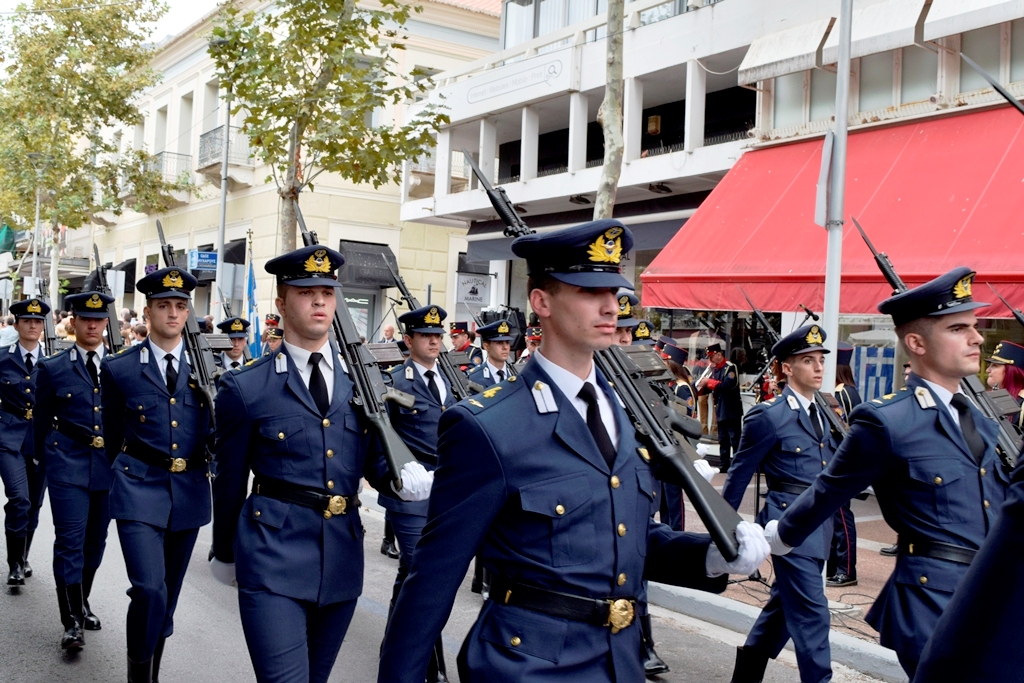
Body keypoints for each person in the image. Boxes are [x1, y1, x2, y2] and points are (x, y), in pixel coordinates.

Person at [377, 219, 769, 683]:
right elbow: (433, 581)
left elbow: (629, 536)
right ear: (541, 302)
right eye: (588, 291)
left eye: (614, 291)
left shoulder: (620, 413)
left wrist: (711, 555)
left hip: (619, 663)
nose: (610, 305)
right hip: (527, 666)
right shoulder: (487, 426)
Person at [766, 267, 1010, 678]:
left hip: (989, 594)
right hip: (933, 598)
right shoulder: (887, 421)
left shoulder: (983, 422)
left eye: (974, 326)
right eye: (958, 328)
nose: (976, 338)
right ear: (916, 343)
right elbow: (829, 490)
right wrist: (778, 538)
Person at [210, 245, 432, 683]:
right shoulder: (246, 386)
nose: (319, 301)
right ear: (281, 302)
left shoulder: (361, 383)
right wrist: (226, 551)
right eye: (306, 291)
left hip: (341, 559)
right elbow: (230, 480)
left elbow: (373, 464)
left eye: (328, 293)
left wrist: (405, 481)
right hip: (271, 556)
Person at [101, 267, 213, 683]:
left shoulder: (209, 368)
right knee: (149, 589)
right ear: (148, 311)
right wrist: (129, 472)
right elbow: (113, 436)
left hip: (188, 493)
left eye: (180, 305)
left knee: (167, 598)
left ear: (188, 312)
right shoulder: (120, 369)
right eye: (163, 305)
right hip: (138, 487)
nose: (172, 313)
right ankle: (138, 678)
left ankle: (153, 672)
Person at [723, 324, 839, 683]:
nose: (819, 368)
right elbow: (739, 474)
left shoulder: (824, 414)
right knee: (812, 612)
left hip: (818, 524)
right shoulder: (768, 415)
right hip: (786, 526)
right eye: (808, 360)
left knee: (784, 608)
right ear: (787, 368)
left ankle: (746, 676)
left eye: (821, 360)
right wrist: (722, 529)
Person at [380, 304, 457, 683]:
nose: (434, 341)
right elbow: (383, 439)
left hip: (445, 493)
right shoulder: (394, 382)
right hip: (409, 495)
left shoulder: (451, 381)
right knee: (426, 575)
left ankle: (394, 648)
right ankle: (432, 666)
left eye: (438, 335)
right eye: (426, 336)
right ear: (408, 340)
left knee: (409, 577)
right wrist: (395, 478)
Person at [34, 292, 115, 650]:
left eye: (99, 319)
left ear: (107, 322)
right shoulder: (53, 368)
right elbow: (39, 422)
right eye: (86, 319)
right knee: (70, 542)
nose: (93, 325)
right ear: (74, 322)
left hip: (107, 467)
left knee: (95, 543)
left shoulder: (120, 367)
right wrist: (40, 462)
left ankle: (82, 600)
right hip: (66, 461)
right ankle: (71, 622)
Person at [0, 298, 49, 588]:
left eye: (38, 321)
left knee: (34, 504)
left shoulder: (54, 362)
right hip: (9, 437)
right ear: (16, 324)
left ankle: (24, 554)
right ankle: (14, 564)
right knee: (19, 498)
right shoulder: (3, 358)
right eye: (27, 321)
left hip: (42, 439)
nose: (32, 325)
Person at [828, 341, 862, 588]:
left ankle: (847, 568)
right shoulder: (849, 390)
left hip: (840, 461)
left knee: (841, 519)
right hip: (843, 460)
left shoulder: (840, 393)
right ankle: (836, 565)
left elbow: (841, 430)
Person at [697, 342, 743, 472]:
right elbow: (713, 389)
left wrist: (709, 382)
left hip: (731, 408)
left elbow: (728, 385)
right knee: (723, 438)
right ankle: (724, 463)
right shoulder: (715, 370)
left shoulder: (730, 367)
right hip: (721, 407)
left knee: (735, 438)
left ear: (719, 354)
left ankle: (737, 464)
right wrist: (701, 386)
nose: (711, 360)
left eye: (712, 357)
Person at [985, 340, 1024, 427]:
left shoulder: (1022, 404)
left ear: (1012, 372)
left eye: (995, 365)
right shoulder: (986, 397)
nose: (987, 370)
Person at [465, 320, 514, 388]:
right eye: (499, 343)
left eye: (507, 342)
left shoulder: (515, 375)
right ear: (486, 347)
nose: (505, 347)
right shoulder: (473, 378)